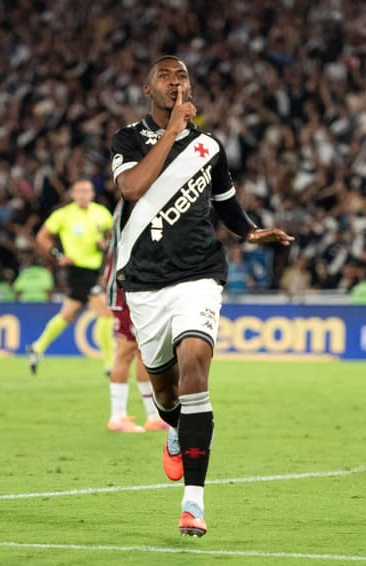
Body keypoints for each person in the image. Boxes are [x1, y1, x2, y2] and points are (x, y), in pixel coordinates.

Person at [110, 55, 293, 537]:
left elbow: (228, 206)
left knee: (195, 364)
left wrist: (252, 234)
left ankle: (194, 503)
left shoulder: (210, 146)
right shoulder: (127, 139)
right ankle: (173, 430)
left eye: (183, 76)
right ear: (148, 89)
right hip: (146, 281)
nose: (177, 82)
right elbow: (130, 188)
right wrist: (172, 130)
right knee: (166, 392)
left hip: (200, 273)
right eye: (166, 77)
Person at [26, 180, 115, 375]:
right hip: (76, 269)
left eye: (87, 191)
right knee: (105, 312)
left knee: (68, 314)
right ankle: (110, 364)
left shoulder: (102, 213)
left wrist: (105, 243)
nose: (83, 194)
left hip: (95, 270)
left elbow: (112, 236)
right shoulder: (64, 214)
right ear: (73, 194)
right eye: (80, 191)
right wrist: (58, 255)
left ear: (92, 193)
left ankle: (37, 347)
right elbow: (42, 236)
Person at [100, 199, 169, 433]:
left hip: (142, 287)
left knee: (144, 351)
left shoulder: (143, 202)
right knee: (126, 350)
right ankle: (116, 416)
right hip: (123, 288)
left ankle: (152, 415)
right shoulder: (130, 203)